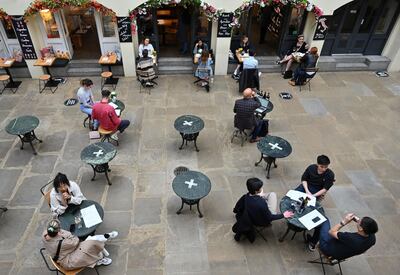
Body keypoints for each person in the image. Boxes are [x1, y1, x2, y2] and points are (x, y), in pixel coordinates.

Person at [233, 178, 294, 242]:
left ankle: (261, 196)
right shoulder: (261, 204)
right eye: (260, 188)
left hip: (254, 207)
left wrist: (259, 196)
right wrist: (283, 215)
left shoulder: (246, 196)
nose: (262, 188)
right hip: (261, 220)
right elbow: (270, 217)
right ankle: (263, 198)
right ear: (256, 191)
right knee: (272, 195)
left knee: (272, 194)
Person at [42, 220, 118, 270]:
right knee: (90, 243)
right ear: (58, 232)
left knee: (90, 241)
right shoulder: (63, 243)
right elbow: (75, 240)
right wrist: (66, 235)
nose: (61, 230)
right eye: (60, 229)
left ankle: (105, 236)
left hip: (65, 253)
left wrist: (66, 235)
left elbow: (71, 239)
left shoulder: (44, 234)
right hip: (68, 261)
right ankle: (98, 259)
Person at [307, 213, 378, 261]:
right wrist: (356, 219)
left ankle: (313, 242)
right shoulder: (372, 238)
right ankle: (314, 239)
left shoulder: (351, 238)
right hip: (340, 256)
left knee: (324, 219)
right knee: (322, 227)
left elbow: (331, 232)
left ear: (361, 229)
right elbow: (363, 251)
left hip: (327, 248)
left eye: (359, 221)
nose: (358, 220)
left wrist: (344, 221)